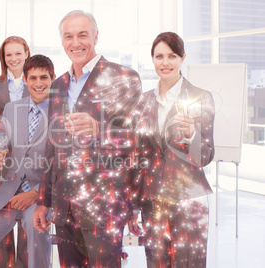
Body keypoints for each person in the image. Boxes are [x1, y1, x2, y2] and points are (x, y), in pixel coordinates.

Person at [33, 10, 142, 267]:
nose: (76, 42)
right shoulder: (58, 85)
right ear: (62, 42)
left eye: (82, 35)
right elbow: (53, 145)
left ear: (95, 36)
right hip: (63, 204)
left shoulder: (124, 78)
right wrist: (43, 201)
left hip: (104, 204)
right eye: (68, 36)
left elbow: (139, 139)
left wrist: (100, 129)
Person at [129, 32, 215, 267]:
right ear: (153, 60)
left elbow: (205, 156)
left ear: (182, 58)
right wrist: (132, 207)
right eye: (159, 56)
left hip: (189, 198)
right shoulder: (143, 102)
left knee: (190, 263)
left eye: (172, 56)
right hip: (153, 200)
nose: (165, 62)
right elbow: (137, 158)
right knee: (156, 262)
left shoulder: (200, 97)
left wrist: (192, 136)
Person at [0, 54, 55, 268]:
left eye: (44, 77)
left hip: (40, 196)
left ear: (53, 78)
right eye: (32, 78)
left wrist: (36, 194)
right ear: (24, 80)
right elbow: (0, 142)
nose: (38, 83)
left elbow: (66, 164)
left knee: (36, 238)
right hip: (10, 194)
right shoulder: (12, 109)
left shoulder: (63, 112)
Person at [0, 36, 31, 267]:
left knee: (27, 219)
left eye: (17, 53)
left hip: (31, 160)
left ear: (26, 54)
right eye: (8, 54)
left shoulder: (37, 82)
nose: (13, 59)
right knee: (2, 218)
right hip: (2, 161)